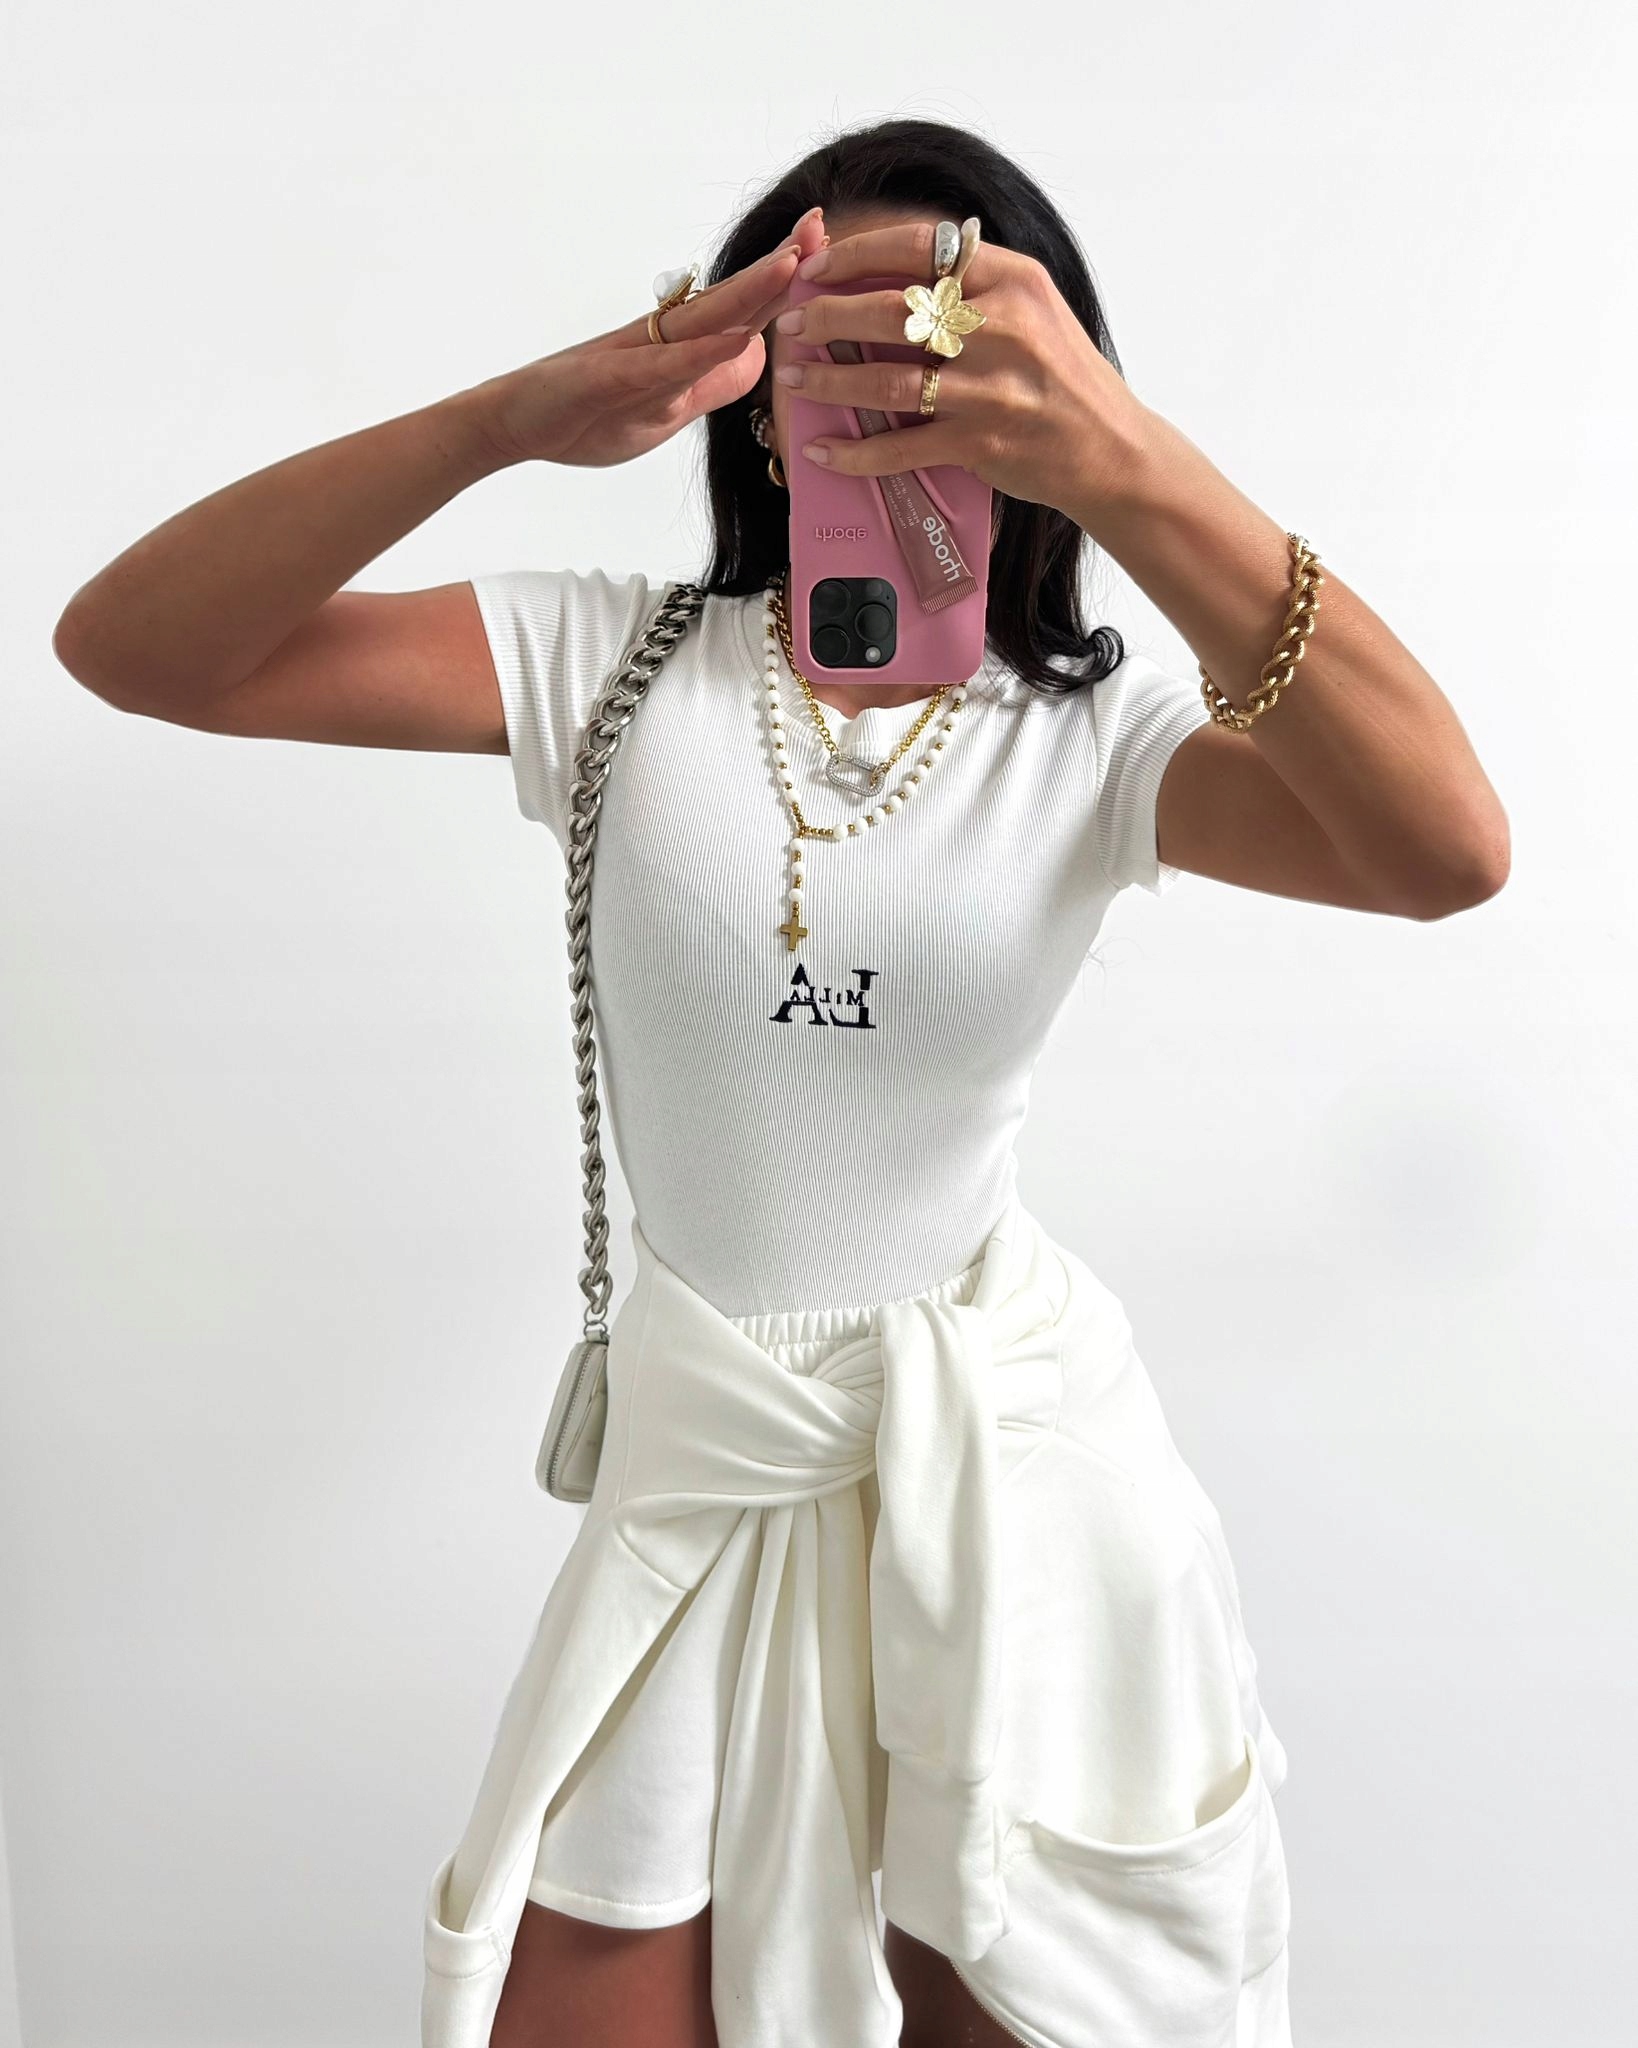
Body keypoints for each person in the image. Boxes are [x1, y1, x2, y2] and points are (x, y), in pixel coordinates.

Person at [53, 115, 1509, 2048]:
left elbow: (1445, 851)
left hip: (1010, 1503)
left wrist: (1137, 469)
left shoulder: (1090, 740)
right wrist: (506, 418)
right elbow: (134, 648)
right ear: (747, 388)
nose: (892, 387)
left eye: (951, 343)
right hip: (705, 1482)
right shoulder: (607, 665)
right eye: (838, 341)